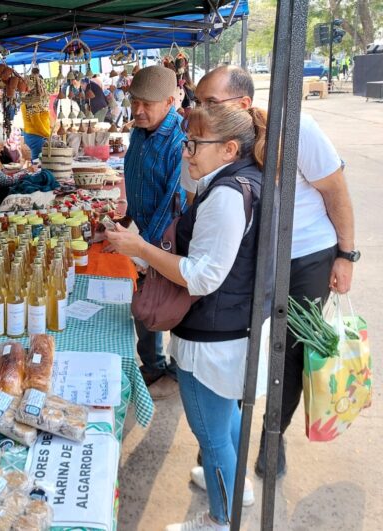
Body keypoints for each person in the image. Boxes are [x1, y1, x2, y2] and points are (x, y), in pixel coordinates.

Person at [107, 104, 268, 531]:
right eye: (186, 143)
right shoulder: (239, 180)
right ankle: (237, 489)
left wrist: (141, 250)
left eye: (195, 144)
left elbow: (202, 277)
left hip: (212, 334)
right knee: (226, 418)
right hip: (229, 325)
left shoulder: (228, 195)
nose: (187, 153)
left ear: (229, 148)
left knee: (211, 433)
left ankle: (220, 519)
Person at [192, 65, 357, 478]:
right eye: (197, 101)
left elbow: (336, 191)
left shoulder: (296, 127)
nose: (200, 109)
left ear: (243, 103)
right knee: (237, 339)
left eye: (210, 102)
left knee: (289, 349)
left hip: (305, 257)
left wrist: (346, 255)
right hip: (248, 256)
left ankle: (272, 434)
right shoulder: (214, 139)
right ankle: (226, 433)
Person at [122, 64, 187, 398]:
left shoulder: (178, 141)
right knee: (144, 301)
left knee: (172, 304)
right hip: (144, 232)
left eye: (147, 104)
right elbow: (135, 178)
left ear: (170, 102)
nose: (138, 110)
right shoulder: (139, 131)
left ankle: (177, 367)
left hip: (170, 238)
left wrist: (146, 249)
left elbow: (172, 202)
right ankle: (152, 363)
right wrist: (125, 219)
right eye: (135, 102)